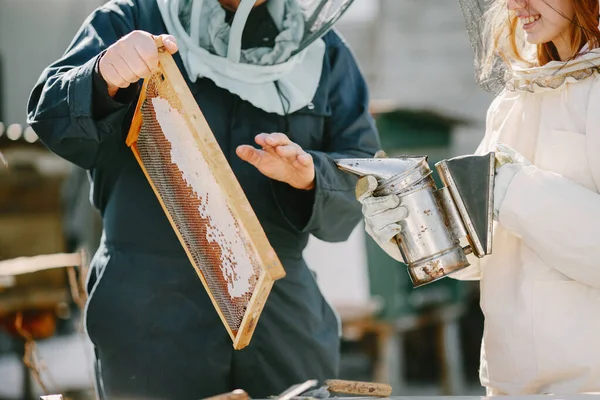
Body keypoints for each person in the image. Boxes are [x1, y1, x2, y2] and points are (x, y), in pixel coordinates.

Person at [27, 0, 380, 398]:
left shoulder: (325, 50)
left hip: (280, 314)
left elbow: (363, 176)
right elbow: (49, 115)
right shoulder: (128, 19)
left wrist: (312, 176)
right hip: (149, 312)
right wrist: (101, 74)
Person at [360, 0, 600, 395]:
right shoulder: (512, 100)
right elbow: (478, 258)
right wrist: (410, 230)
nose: (513, 4)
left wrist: (517, 190)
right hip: (507, 383)